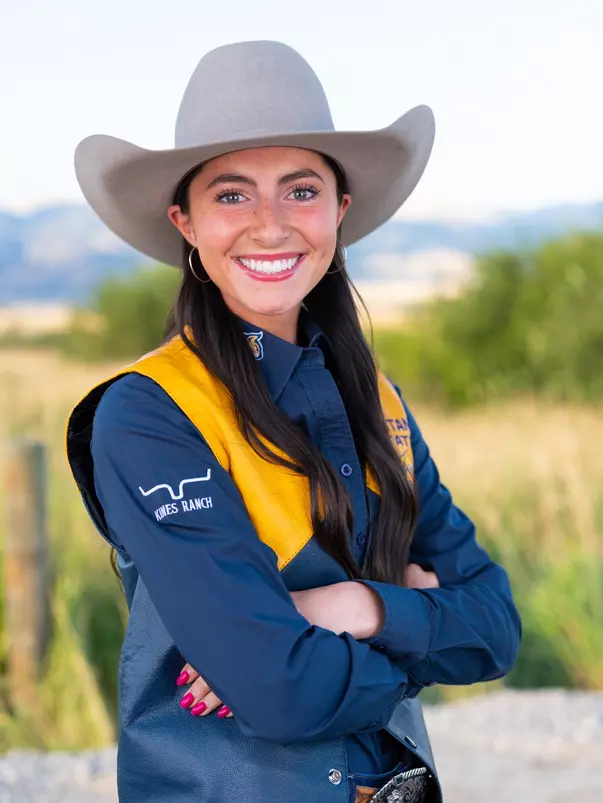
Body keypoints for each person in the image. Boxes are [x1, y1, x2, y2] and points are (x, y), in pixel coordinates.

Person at [66, 40, 521, 803]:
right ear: (186, 221)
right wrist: (420, 625)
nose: (270, 225)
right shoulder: (149, 414)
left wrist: (352, 607)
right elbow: (279, 691)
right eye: (232, 195)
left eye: (300, 190)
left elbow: (497, 628)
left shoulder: (378, 403)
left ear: (339, 210)